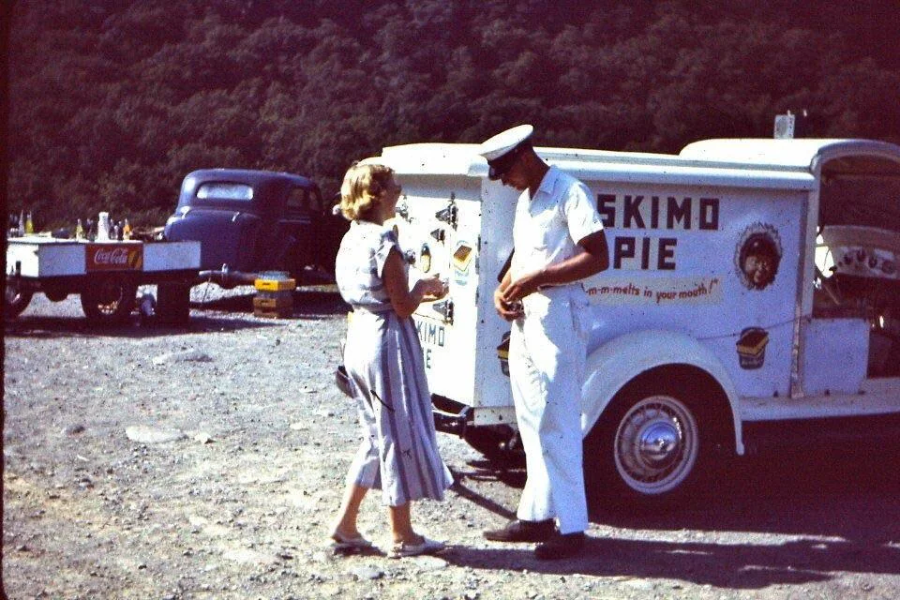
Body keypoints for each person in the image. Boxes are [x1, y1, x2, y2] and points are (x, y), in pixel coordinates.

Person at [479, 125, 609, 560]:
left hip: (559, 317)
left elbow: (599, 255)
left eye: (505, 172)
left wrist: (539, 279)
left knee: (559, 420)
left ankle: (572, 527)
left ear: (524, 157)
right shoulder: (526, 199)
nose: (504, 181)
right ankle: (535, 514)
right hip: (527, 319)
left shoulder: (570, 193)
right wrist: (505, 288)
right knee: (532, 418)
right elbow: (523, 254)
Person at [330, 162, 453, 559]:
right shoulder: (383, 239)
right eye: (394, 185)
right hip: (386, 340)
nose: (399, 190)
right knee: (396, 433)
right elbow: (402, 304)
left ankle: (346, 525)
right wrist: (425, 287)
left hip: (359, 335)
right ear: (379, 193)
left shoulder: (351, 237)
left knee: (373, 434)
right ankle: (402, 534)